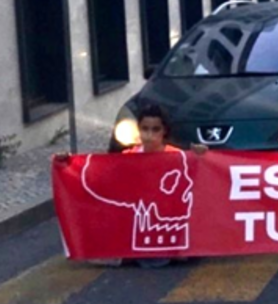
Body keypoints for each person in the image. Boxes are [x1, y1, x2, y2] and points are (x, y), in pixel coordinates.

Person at [57, 105, 207, 267]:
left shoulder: (177, 157)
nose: (149, 135)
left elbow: (201, 182)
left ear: (164, 131)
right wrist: (68, 164)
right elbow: (100, 178)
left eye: (155, 129)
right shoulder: (128, 157)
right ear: (139, 130)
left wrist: (202, 156)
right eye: (145, 129)